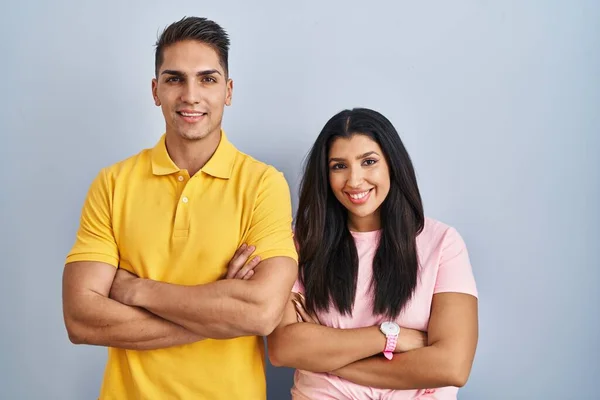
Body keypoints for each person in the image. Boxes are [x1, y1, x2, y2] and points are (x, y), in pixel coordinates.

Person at [61, 16, 298, 400]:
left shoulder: (263, 184)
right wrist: (221, 311)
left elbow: (263, 313)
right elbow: (81, 319)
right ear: (156, 90)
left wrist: (136, 290)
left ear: (229, 90)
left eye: (207, 79)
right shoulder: (113, 183)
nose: (191, 95)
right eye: (175, 79)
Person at [251, 107, 478, 399]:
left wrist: (329, 359)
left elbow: (452, 366)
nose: (355, 180)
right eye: (338, 166)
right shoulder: (299, 244)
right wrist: (391, 336)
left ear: (392, 165)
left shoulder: (443, 244)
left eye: (368, 162)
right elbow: (285, 349)